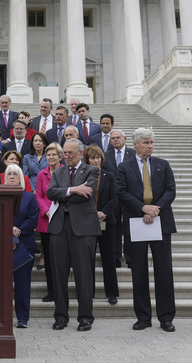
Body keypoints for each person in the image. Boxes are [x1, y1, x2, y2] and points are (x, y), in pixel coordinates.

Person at [116, 127, 177, 333]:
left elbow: (171, 190)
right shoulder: (124, 167)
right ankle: (143, 317)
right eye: (146, 143)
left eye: (151, 143)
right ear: (135, 144)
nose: (150, 146)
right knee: (139, 272)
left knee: (164, 271)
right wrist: (142, 208)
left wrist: (155, 209)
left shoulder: (163, 165)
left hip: (160, 221)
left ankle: (166, 317)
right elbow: (121, 192)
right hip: (136, 222)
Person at [47, 138, 100, 332]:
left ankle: (85, 317)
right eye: (64, 154)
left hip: (83, 228)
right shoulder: (58, 171)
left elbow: (86, 193)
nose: (66, 157)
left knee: (84, 274)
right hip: (60, 227)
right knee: (59, 274)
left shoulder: (92, 170)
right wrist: (73, 189)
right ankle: (61, 316)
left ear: (79, 153)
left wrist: (68, 193)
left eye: (70, 153)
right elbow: (51, 192)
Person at [83, 145, 119, 305]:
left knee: (109, 258)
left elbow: (114, 197)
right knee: (87, 259)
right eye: (92, 158)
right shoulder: (82, 175)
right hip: (87, 221)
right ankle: (88, 292)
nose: (96, 160)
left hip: (106, 221)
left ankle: (111, 292)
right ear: (87, 160)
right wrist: (93, 213)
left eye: (98, 157)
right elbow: (82, 197)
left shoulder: (109, 175)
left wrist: (103, 212)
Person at [5, 164, 38, 328]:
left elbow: (33, 218)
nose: (12, 176)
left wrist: (18, 230)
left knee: (22, 283)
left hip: (24, 244)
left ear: (21, 178)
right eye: (9, 174)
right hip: (2, 244)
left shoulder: (29, 197)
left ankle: (23, 318)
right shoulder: (0, 197)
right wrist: (8, 229)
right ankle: (1, 315)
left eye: (15, 174)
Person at [35, 142, 64, 302]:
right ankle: (51, 290)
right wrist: (47, 211)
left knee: (61, 258)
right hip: (46, 220)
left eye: (54, 154)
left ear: (60, 156)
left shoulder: (65, 172)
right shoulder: (42, 174)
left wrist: (57, 212)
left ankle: (61, 290)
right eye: (48, 155)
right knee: (49, 258)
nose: (51, 157)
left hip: (62, 219)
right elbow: (39, 195)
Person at [103, 129, 136, 268]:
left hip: (129, 197)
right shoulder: (106, 155)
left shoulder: (133, 154)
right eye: (113, 138)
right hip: (113, 197)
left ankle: (130, 258)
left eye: (118, 137)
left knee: (129, 228)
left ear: (125, 138)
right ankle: (116, 257)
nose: (115, 140)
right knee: (114, 228)